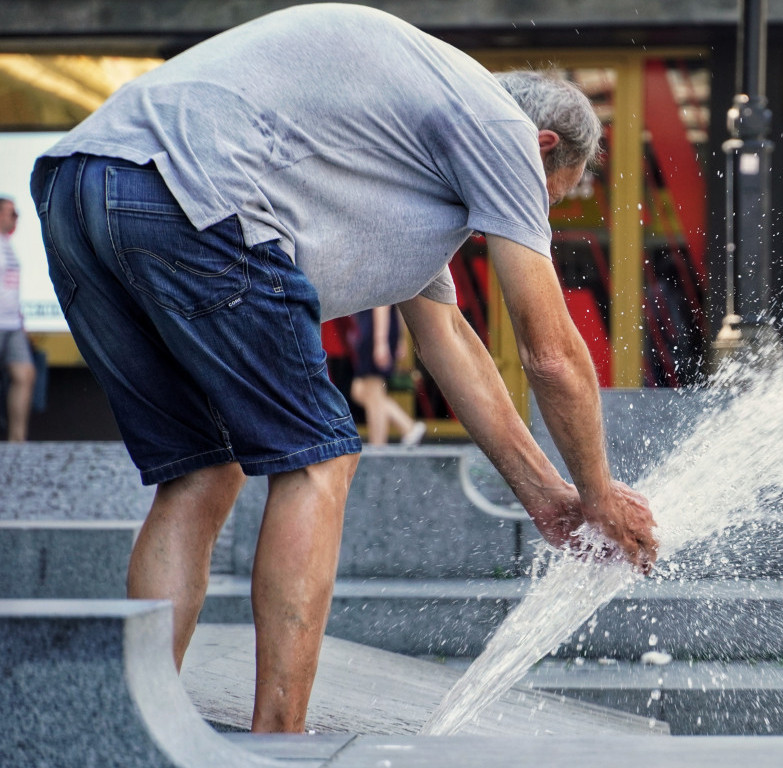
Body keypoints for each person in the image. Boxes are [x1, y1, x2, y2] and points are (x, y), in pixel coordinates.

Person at [31, 4, 656, 733]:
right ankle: (280, 738)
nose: (537, 218)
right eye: (553, 197)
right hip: (191, 191)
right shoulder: (499, 129)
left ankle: (130, 726)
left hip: (78, 189)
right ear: (542, 144)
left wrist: (549, 497)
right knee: (321, 461)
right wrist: (599, 496)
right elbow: (550, 354)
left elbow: (450, 337)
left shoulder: (414, 137)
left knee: (203, 472)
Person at [348, 305, 426, 445]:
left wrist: (380, 342)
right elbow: (398, 304)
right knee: (359, 391)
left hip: (376, 331)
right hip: (378, 329)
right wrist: (399, 339)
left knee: (373, 393)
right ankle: (406, 426)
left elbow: (382, 303)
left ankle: (379, 447)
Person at [0, 195, 35, 442]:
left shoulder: (7, 243)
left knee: (25, 374)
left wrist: (22, 322)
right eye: (11, 213)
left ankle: (17, 441)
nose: (16, 218)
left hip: (11, 322)